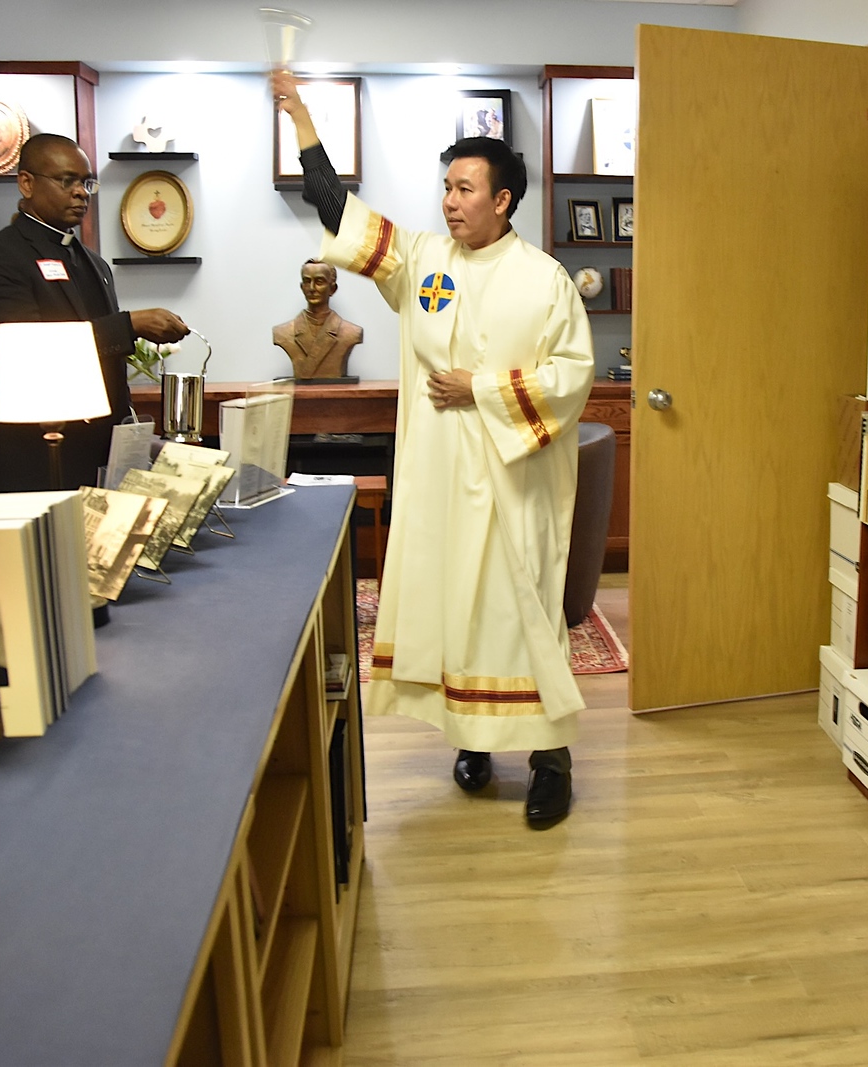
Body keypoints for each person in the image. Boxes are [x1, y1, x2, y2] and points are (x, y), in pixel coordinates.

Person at [274, 71, 597, 829]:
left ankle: (552, 764)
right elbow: (334, 208)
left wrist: (480, 387)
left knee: (522, 619)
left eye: (463, 189)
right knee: (455, 613)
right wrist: (300, 115)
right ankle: (474, 743)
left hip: (514, 488)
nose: (449, 201)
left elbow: (572, 377)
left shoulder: (545, 281)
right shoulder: (422, 261)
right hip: (441, 483)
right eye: (445, 187)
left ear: (503, 200)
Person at [0, 133, 189, 491]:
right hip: (35, 456)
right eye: (66, 180)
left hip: (99, 455)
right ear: (26, 183)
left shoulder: (92, 261)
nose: (81, 192)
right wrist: (130, 324)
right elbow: (20, 354)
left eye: (86, 182)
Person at [272, 259, 364, 380]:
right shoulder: (282, 333)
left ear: (332, 289)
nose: (312, 288)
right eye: (307, 281)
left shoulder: (351, 332)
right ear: (301, 287)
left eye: (319, 282)